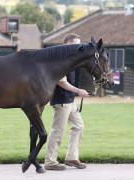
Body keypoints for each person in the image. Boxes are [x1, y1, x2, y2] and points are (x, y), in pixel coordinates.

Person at [44, 34, 89, 171]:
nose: (78, 47)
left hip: (70, 100)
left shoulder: (72, 59)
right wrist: (78, 91)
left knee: (79, 126)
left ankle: (71, 158)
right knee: (58, 131)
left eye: (79, 44)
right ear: (66, 44)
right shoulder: (59, 59)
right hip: (61, 100)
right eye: (75, 44)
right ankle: (50, 162)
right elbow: (61, 82)